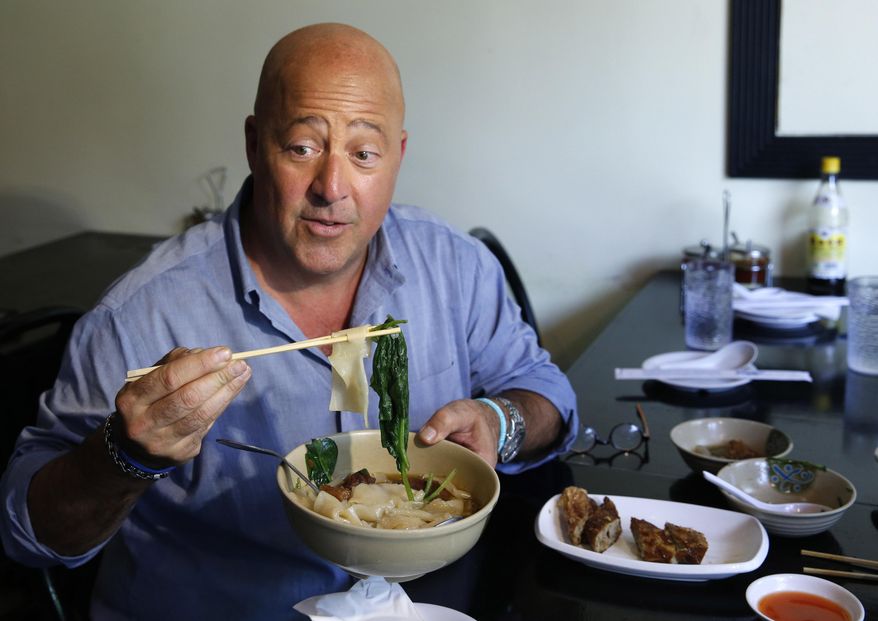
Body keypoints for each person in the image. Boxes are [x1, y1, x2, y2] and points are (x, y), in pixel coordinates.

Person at [0, 23, 577, 620]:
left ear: (398, 156)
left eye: (363, 154)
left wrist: (499, 420)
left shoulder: (455, 267)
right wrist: (122, 455)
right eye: (302, 147)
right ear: (254, 144)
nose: (331, 187)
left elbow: (549, 395)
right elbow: (28, 535)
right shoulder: (140, 313)